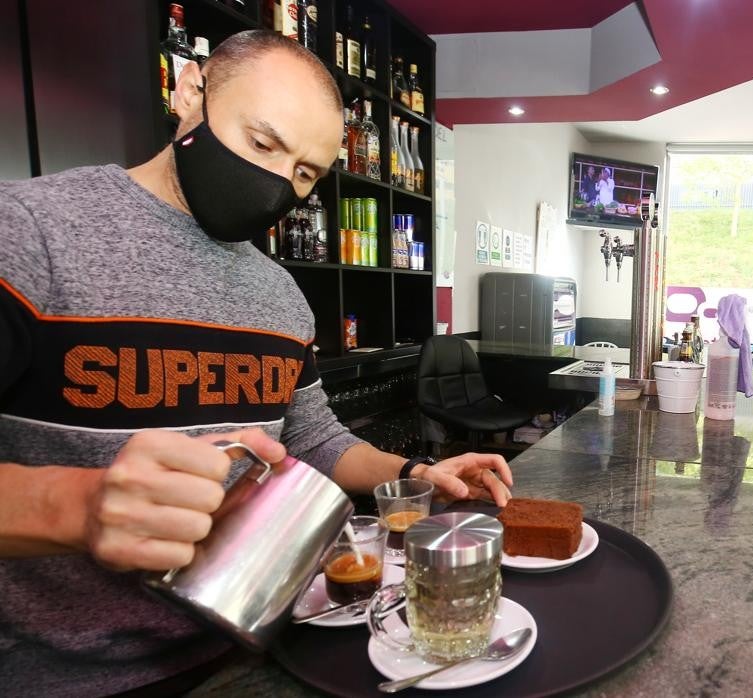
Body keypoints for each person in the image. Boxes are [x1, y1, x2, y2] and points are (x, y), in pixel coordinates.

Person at [0, 32, 512, 695]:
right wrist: (76, 508)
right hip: (71, 679)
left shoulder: (281, 298)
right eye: (263, 144)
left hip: (263, 647)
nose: (276, 182)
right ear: (189, 93)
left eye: (304, 173)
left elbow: (313, 440)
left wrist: (417, 472)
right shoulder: (28, 232)